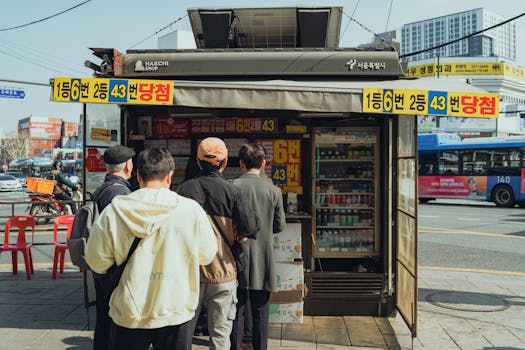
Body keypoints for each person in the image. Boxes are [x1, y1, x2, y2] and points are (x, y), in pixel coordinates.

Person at [85, 148, 217, 350]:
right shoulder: (191, 210)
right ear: (170, 176)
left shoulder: (114, 212)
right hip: (175, 309)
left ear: (137, 175)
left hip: (130, 311)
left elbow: (96, 261)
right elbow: (207, 255)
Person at [177, 137, 259, 350]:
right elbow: (250, 228)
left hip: (191, 275)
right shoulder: (233, 192)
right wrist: (239, 234)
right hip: (224, 272)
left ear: (198, 161)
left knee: (183, 332)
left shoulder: (183, 191)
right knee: (221, 335)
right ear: (224, 163)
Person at [231, 143, 286, 350]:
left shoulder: (232, 186)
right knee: (261, 313)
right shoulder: (274, 190)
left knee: (237, 311)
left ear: (241, 163)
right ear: (264, 164)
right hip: (264, 258)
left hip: (237, 258)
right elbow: (279, 226)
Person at [91, 144, 135, 350]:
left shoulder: (104, 188)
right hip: (112, 265)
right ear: (127, 165)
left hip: (102, 261)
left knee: (104, 317)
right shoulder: (119, 193)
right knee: (114, 318)